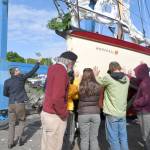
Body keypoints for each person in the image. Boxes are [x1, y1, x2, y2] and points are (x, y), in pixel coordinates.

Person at [41, 51, 78, 150]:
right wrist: (63, 113)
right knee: (54, 145)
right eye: (74, 63)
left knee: (46, 144)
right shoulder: (61, 71)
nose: (73, 66)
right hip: (55, 115)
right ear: (70, 62)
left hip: (47, 112)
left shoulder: (52, 68)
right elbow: (57, 97)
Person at [3, 60, 41, 149]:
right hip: (20, 104)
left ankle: (10, 143)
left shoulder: (7, 81)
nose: (19, 71)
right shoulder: (21, 78)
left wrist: (12, 96)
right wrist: (38, 63)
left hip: (11, 104)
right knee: (22, 121)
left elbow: (5, 93)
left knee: (11, 124)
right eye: (18, 70)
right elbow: (32, 72)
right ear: (15, 73)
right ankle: (20, 138)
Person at [95, 61, 130, 150]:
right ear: (119, 67)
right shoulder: (127, 79)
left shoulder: (108, 78)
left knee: (113, 139)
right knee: (123, 138)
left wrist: (95, 74)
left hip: (112, 114)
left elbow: (99, 82)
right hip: (122, 113)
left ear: (110, 68)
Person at [78, 68, 102, 150]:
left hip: (83, 114)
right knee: (94, 138)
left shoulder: (80, 86)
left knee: (84, 139)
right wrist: (96, 76)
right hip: (96, 113)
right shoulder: (99, 86)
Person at [133, 63, 150, 150]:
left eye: (137, 73)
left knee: (146, 135)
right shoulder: (146, 80)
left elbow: (146, 98)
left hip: (145, 112)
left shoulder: (145, 82)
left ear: (141, 72)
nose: (136, 75)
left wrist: (136, 102)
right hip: (146, 111)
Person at [62, 70, 79, 150]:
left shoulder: (61, 86)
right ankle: (68, 146)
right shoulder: (73, 87)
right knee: (70, 129)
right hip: (70, 109)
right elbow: (76, 97)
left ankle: (62, 144)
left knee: (62, 128)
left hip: (62, 109)